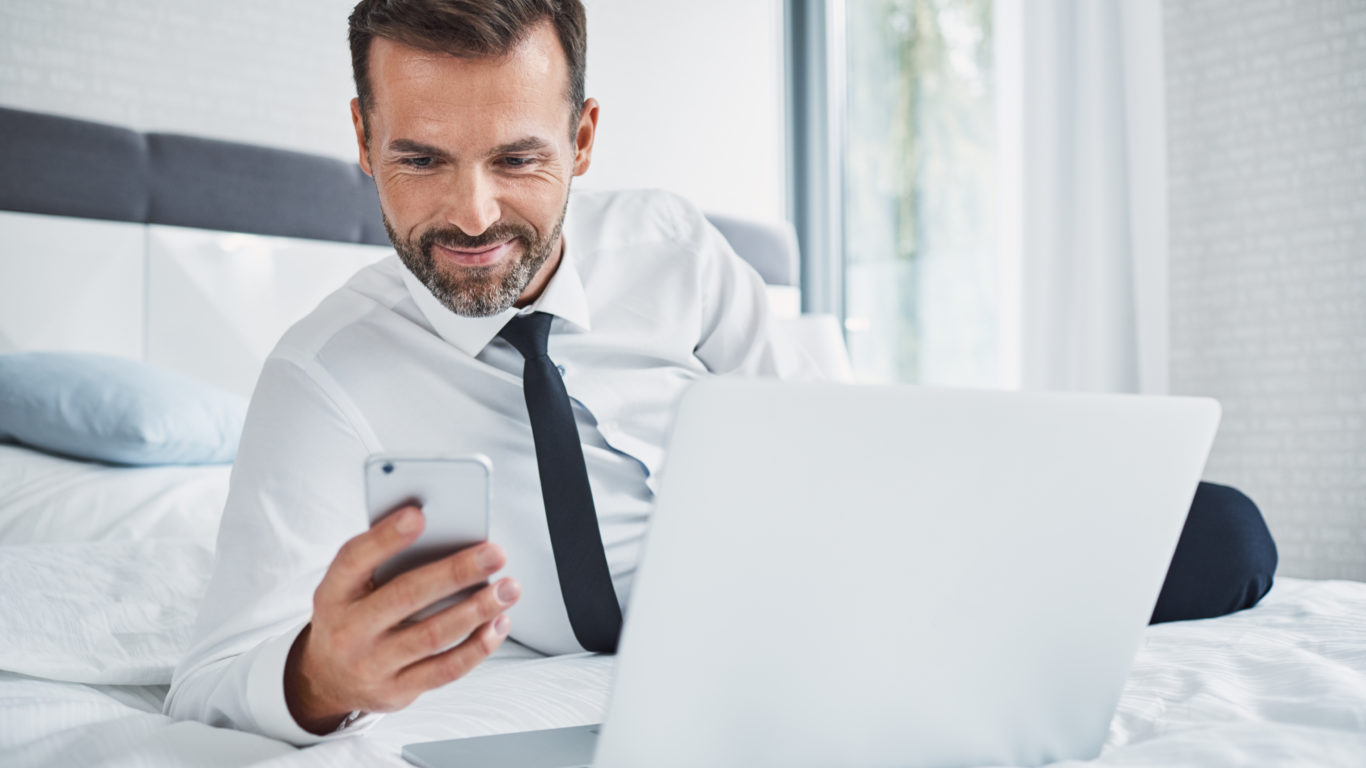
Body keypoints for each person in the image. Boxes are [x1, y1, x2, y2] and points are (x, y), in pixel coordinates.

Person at [165, 0, 1277, 745]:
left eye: (518, 159)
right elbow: (211, 673)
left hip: (822, 582)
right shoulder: (320, 376)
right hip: (670, 660)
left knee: (1226, 535)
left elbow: (824, 438)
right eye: (419, 159)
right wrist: (324, 677)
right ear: (363, 139)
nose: (471, 215)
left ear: (585, 139)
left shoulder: (669, 244)